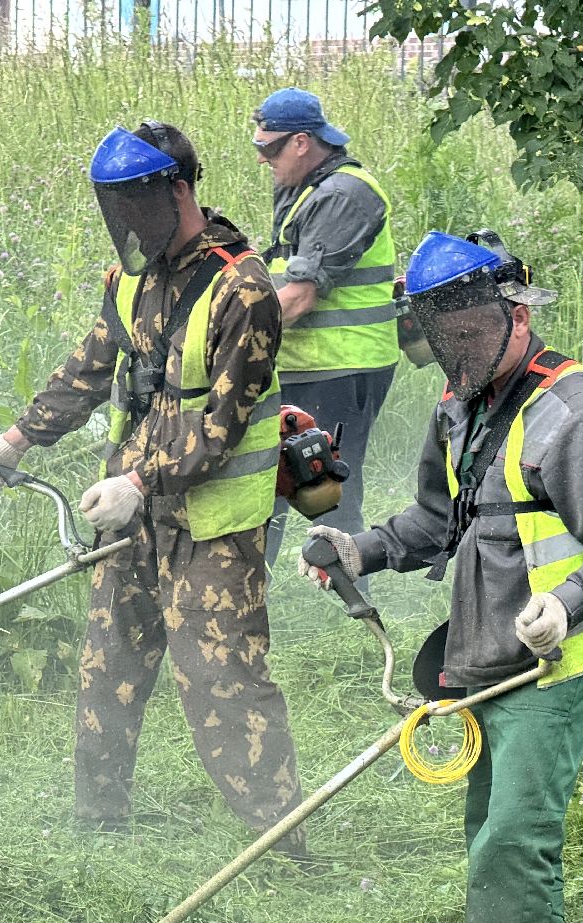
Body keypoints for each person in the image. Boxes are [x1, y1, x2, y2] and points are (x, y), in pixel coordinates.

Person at [299, 231, 583, 923]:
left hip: (558, 654)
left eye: (469, 331)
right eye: (442, 335)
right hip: (486, 647)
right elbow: (441, 517)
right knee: (494, 826)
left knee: (513, 835)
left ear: (515, 312)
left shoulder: (574, 407)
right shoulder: (461, 404)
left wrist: (566, 604)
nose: (456, 350)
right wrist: (364, 548)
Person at [0, 122, 304, 848]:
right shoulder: (129, 279)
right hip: (130, 517)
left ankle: (280, 843)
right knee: (107, 665)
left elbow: (223, 425)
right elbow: (87, 370)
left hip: (210, 525)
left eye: (134, 206)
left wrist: (141, 481)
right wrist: (14, 440)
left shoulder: (246, 291)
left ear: (178, 189)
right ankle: (98, 826)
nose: (124, 224)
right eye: (112, 208)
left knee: (224, 684)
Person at [252, 87, 399, 570]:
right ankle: (249, 599)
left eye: (268, 149)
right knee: (268, 483)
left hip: (343, 365)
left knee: (330, 493)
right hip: (306, 365)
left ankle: (357, 606)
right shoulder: (306, 188)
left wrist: (231, 341)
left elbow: (299, 295)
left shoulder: (344, 193)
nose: (262, 159)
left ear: (300, 142)